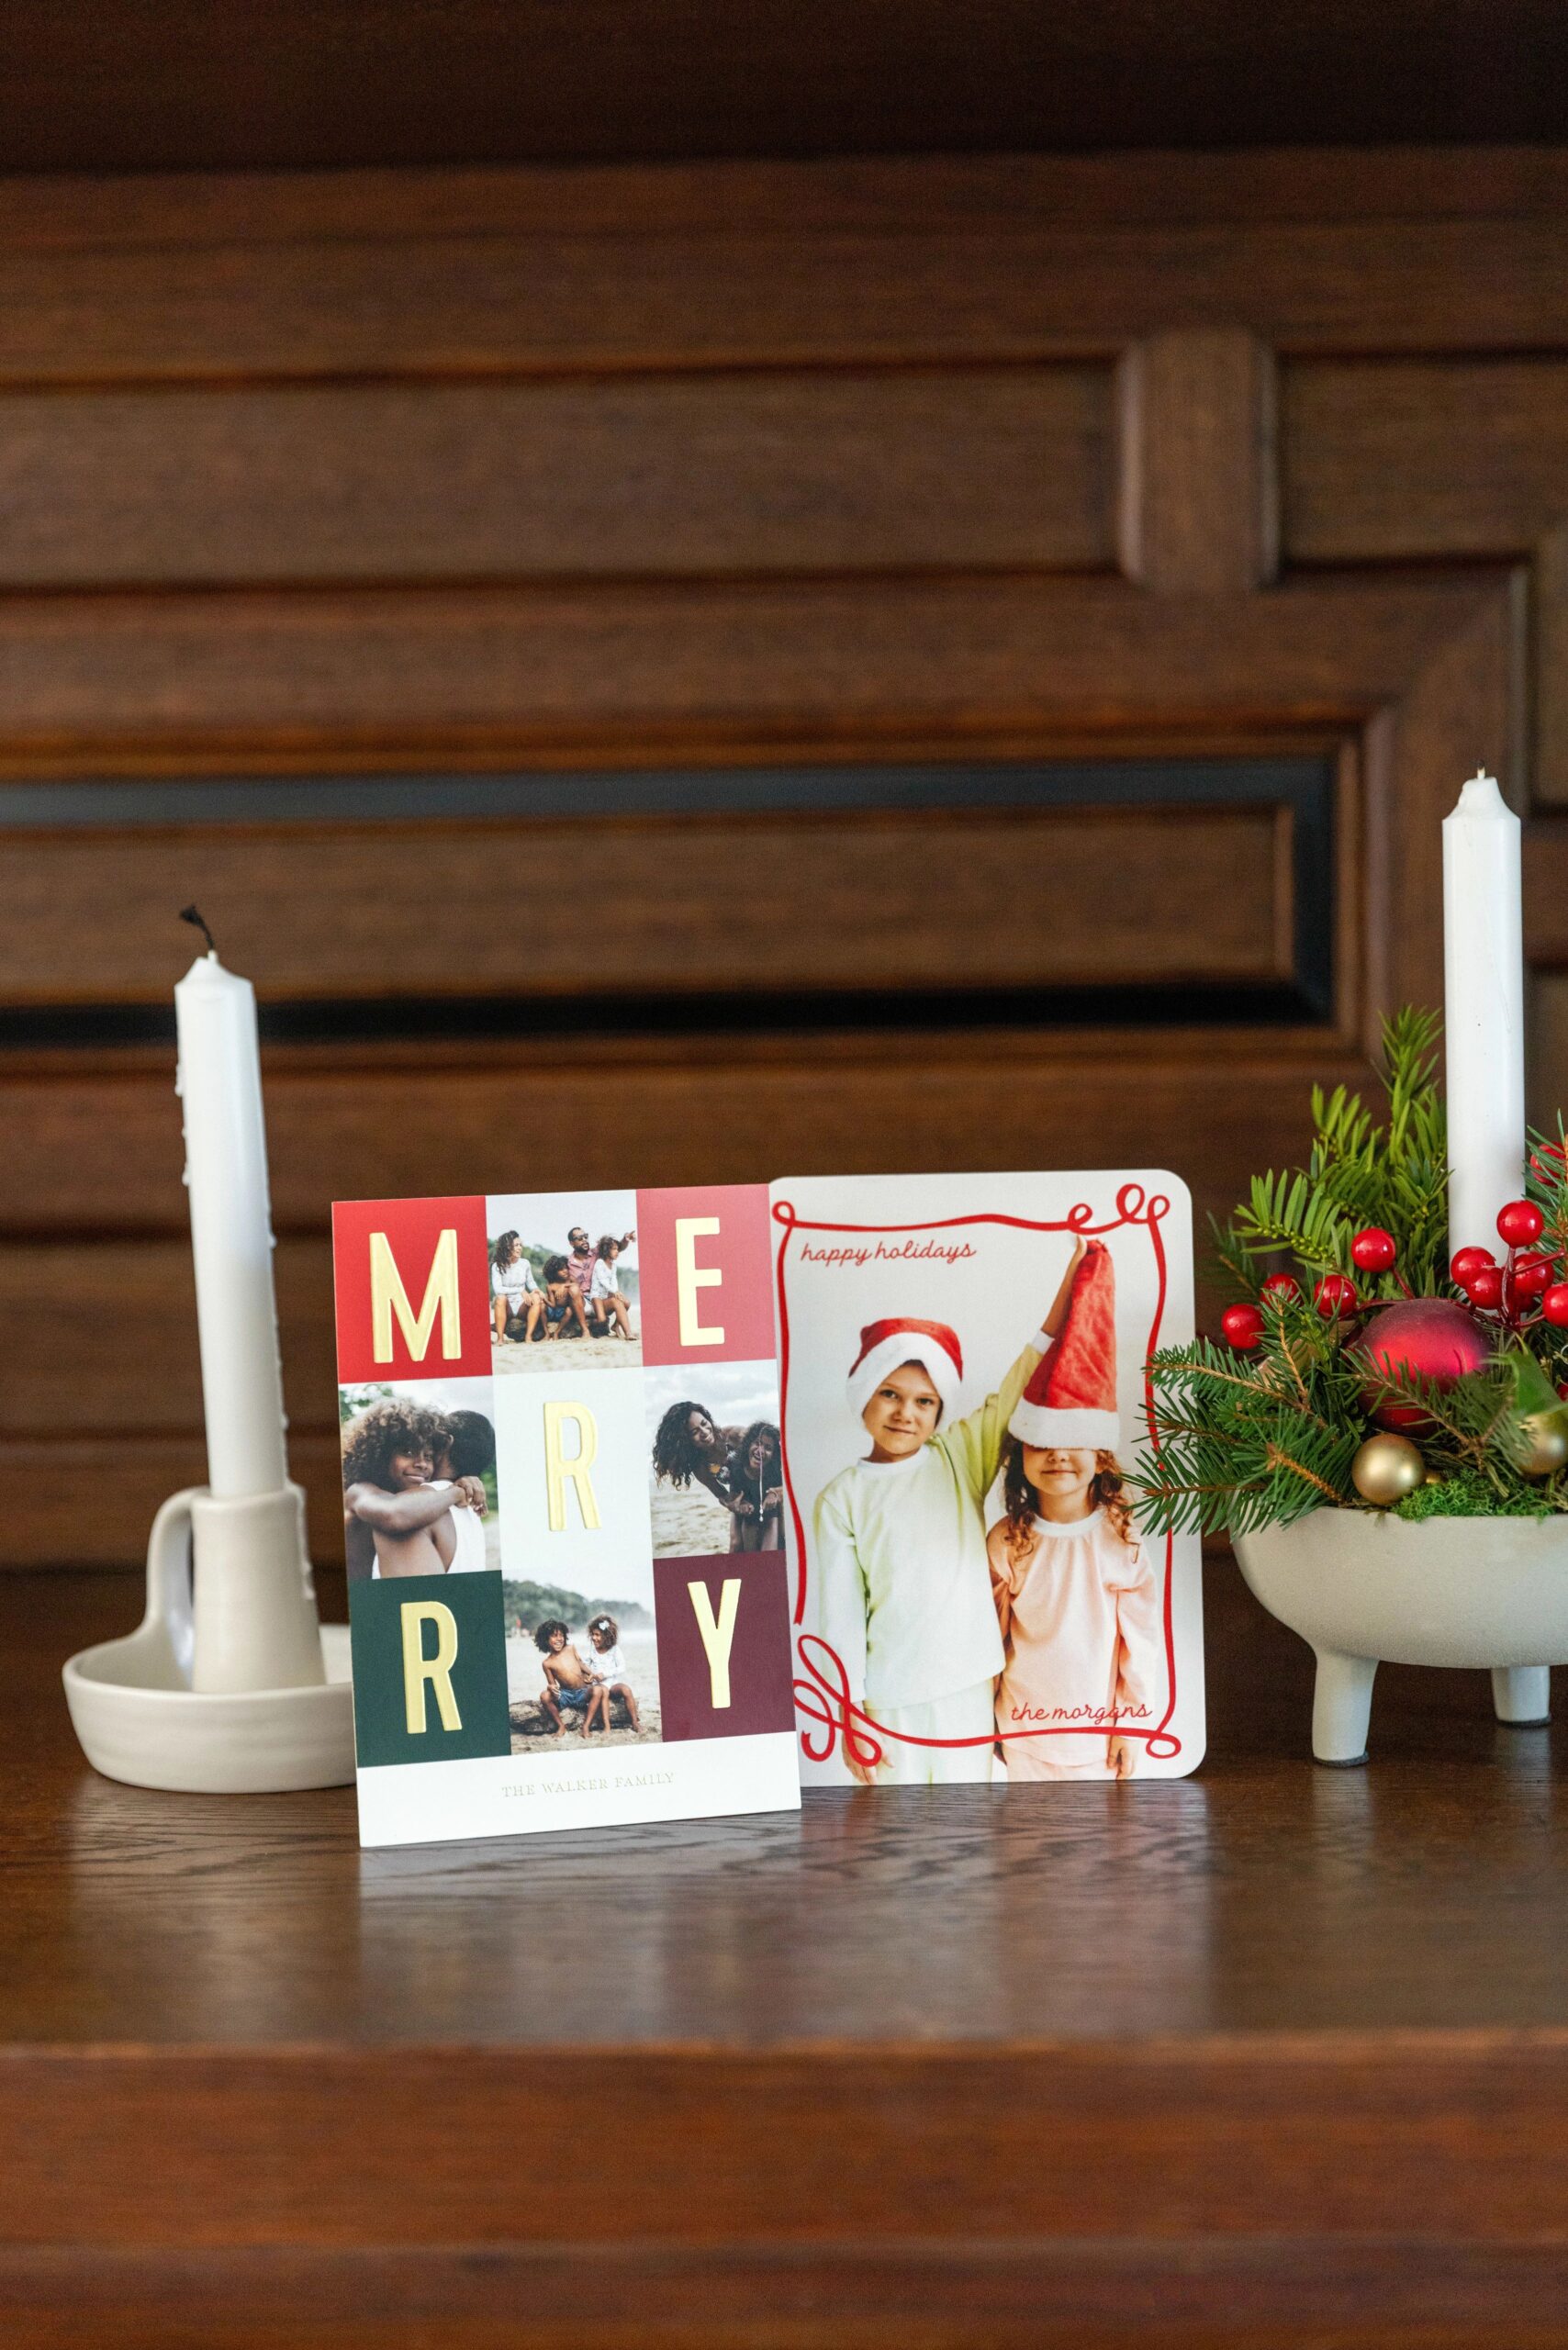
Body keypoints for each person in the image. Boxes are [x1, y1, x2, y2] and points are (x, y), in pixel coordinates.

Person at [811, 1240, 1085, 1788]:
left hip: (967, 1682)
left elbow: (1016, 1387)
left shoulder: (958, 1456)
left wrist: (1068, 1290)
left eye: (924, 1401)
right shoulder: (840, 1498)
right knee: (899, 1841)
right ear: (864, 1395)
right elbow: (840, 1615)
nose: (905, 1413)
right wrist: (851, 1709)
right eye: (890, 1393)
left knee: (967, 1833)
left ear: (940, 1411)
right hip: (890, 1699)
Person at [987, 1241, 1161, 1779]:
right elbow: (989, 1638)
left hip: (1096, 1740)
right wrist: (984, 1724)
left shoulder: (1123, 1539)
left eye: (1074, 1439)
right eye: (1043, 1442)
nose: (1059, 1453)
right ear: (1021, 1457)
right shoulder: (1006, 1540)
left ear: (1101, 1454)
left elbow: (1141, 1641)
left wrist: (1129, 1725)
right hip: (1020, 1734)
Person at [341, 1398, 487, 1581]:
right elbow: (393, 1514)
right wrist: (455, 1492)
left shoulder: (403, 1497)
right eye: (408, 1452)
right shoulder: (359, 1491)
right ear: (382, 1454)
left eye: (429, 1456)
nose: (422, 1464)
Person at [652, 1400, 756, 1535]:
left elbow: (770, 1449)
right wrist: (732, 1505)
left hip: (766, 1486)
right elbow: (722, 1495)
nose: (704, 1432)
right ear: (685, 1440)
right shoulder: (700, 1466)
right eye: (695, 1432)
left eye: (704, 1423)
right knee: (735, 1543)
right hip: (743, 1499)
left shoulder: (734, 1435)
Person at [535, 1618, 606, 1735]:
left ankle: (586, 1727)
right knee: (544, 1696)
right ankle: (561, 1726)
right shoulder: (547, 1663)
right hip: (566, 1695)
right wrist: (550, 1688)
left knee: (598, 1690)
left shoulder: (570, 1648)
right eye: (554, 1636)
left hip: (583, 1692)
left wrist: (590, 1674)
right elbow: (553, 1685)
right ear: (546, 1639)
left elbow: (580, 1663)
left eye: (561, 1635)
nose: (559, 1639)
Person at [725, 1421, 783, 1550]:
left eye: (768, 1448)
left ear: (774, 1454)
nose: (760, 1451)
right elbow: (731, 1495)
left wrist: (775, 1494)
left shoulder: (774, 1471)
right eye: (757, 1443)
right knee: (736, 1544)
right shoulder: (737, 1466)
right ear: (748, 1444)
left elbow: (790, 1489)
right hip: (746, 1513)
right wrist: (739, 1504)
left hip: (769, 1513)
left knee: (768, 1553)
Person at [567, 1221, 634, 1331]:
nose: (584, 1240)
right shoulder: (568, 1263)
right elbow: (564, 1281)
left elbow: (615, 1247)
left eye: (585, 1236)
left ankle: (610, 1324)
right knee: (574, 1290)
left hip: (601, 1297)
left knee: (625, 1302)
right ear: (572, 1243)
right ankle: (585, 1329)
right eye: (580, 1238)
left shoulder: (596, 1253)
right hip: (584, 1302)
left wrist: (625, 1239)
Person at [581, 1613, 641, 1732]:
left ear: (607, 1636)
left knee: (626, 1690)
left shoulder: (614, 1649)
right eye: (592, 1634)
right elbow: (584, 1665)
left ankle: (634, 1722)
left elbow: (622, 1667)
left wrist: (605, 1674)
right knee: (602, 1690)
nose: (594, 1638)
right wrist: (587, 1676)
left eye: (597, 1635)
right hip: (599, 1686)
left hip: (612, 1685)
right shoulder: (592, 1650)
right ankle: (606, 1725)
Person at [491, 1231, 543, 1346]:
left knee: (535, 1297)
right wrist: (519, 1290)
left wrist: (536, 1289)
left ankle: (528, 1337)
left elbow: (530, 1281)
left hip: (521, 1306)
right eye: (516, 1245)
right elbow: (498, 1289)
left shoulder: (525, 1263)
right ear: (507, 1247)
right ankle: (500, 1339)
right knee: (500, 1298)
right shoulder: (497, 1266)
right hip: (506, 1306)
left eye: (521, 1245)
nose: (520, 1248)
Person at [588, 1235, 635, 1342]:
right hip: (596, 1297)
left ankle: (625, 1331)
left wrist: (617, 1292)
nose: (617, 1252)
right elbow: (602, 1280)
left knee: (626, 1302)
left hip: (606, 1297)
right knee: (602, 1320)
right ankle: (590, 1322)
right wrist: (614, 1291)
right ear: (606, 1250)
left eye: (618, 1249)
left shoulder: (613, 1265)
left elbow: (614, 1280)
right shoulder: (600, 1263)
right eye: (614, 1249)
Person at [541, 1254, 591, 1340]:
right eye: (561, 1269)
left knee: (569, 1310)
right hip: (554, 1310)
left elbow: (576, 1285)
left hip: (564, 1312)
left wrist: (564, 1286)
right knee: (541, 1307)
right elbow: (552, 1305)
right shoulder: (551, 1286)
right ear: (554, 1272)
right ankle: (546, 1333)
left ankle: (557, 1332)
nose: (565, 1271)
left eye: (566, 1268)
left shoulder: (570, 1279)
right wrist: (544, 1300)